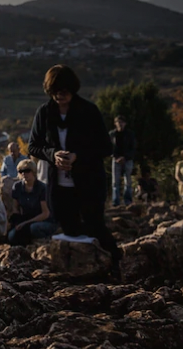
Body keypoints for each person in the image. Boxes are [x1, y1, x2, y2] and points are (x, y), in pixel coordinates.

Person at [28, 64, 121, 276]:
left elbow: (106, 147)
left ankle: (114, 263)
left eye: (65, 91)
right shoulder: (44, 113)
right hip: (60, 185)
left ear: (73, 89)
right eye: (55, 91)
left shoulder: (88, 111)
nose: (60, 95)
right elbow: (33, 146)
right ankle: (84, 269)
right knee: (70, 228)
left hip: (89, 182)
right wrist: (53, 155)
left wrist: (77, 155)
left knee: (95, 225)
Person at [8, 158, 58, 245]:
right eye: (21, 171)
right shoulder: (17, 187)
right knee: (11, 236)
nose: (24, 173)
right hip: (26, 219)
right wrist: (17, 222)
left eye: (27, 171)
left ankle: (45, 240)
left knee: (34, 228)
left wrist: (25, 223)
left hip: (45, 221)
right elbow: (15, 208)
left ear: (33, 171)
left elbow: (45, 213)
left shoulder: (42, 188)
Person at [110, 116, 137, 206]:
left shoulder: (130, 134)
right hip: (116, 160)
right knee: (115, 182)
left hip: (127, 159)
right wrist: (116, 157)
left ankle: (128, 201)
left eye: (122, 122)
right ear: (115, 123)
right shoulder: (112, 134)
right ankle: (115, 202)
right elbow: (109, 148)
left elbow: (133, 148)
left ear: (125, 123)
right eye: (118, 122)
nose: (120, 124)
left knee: (128, 181)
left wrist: (125, 157)